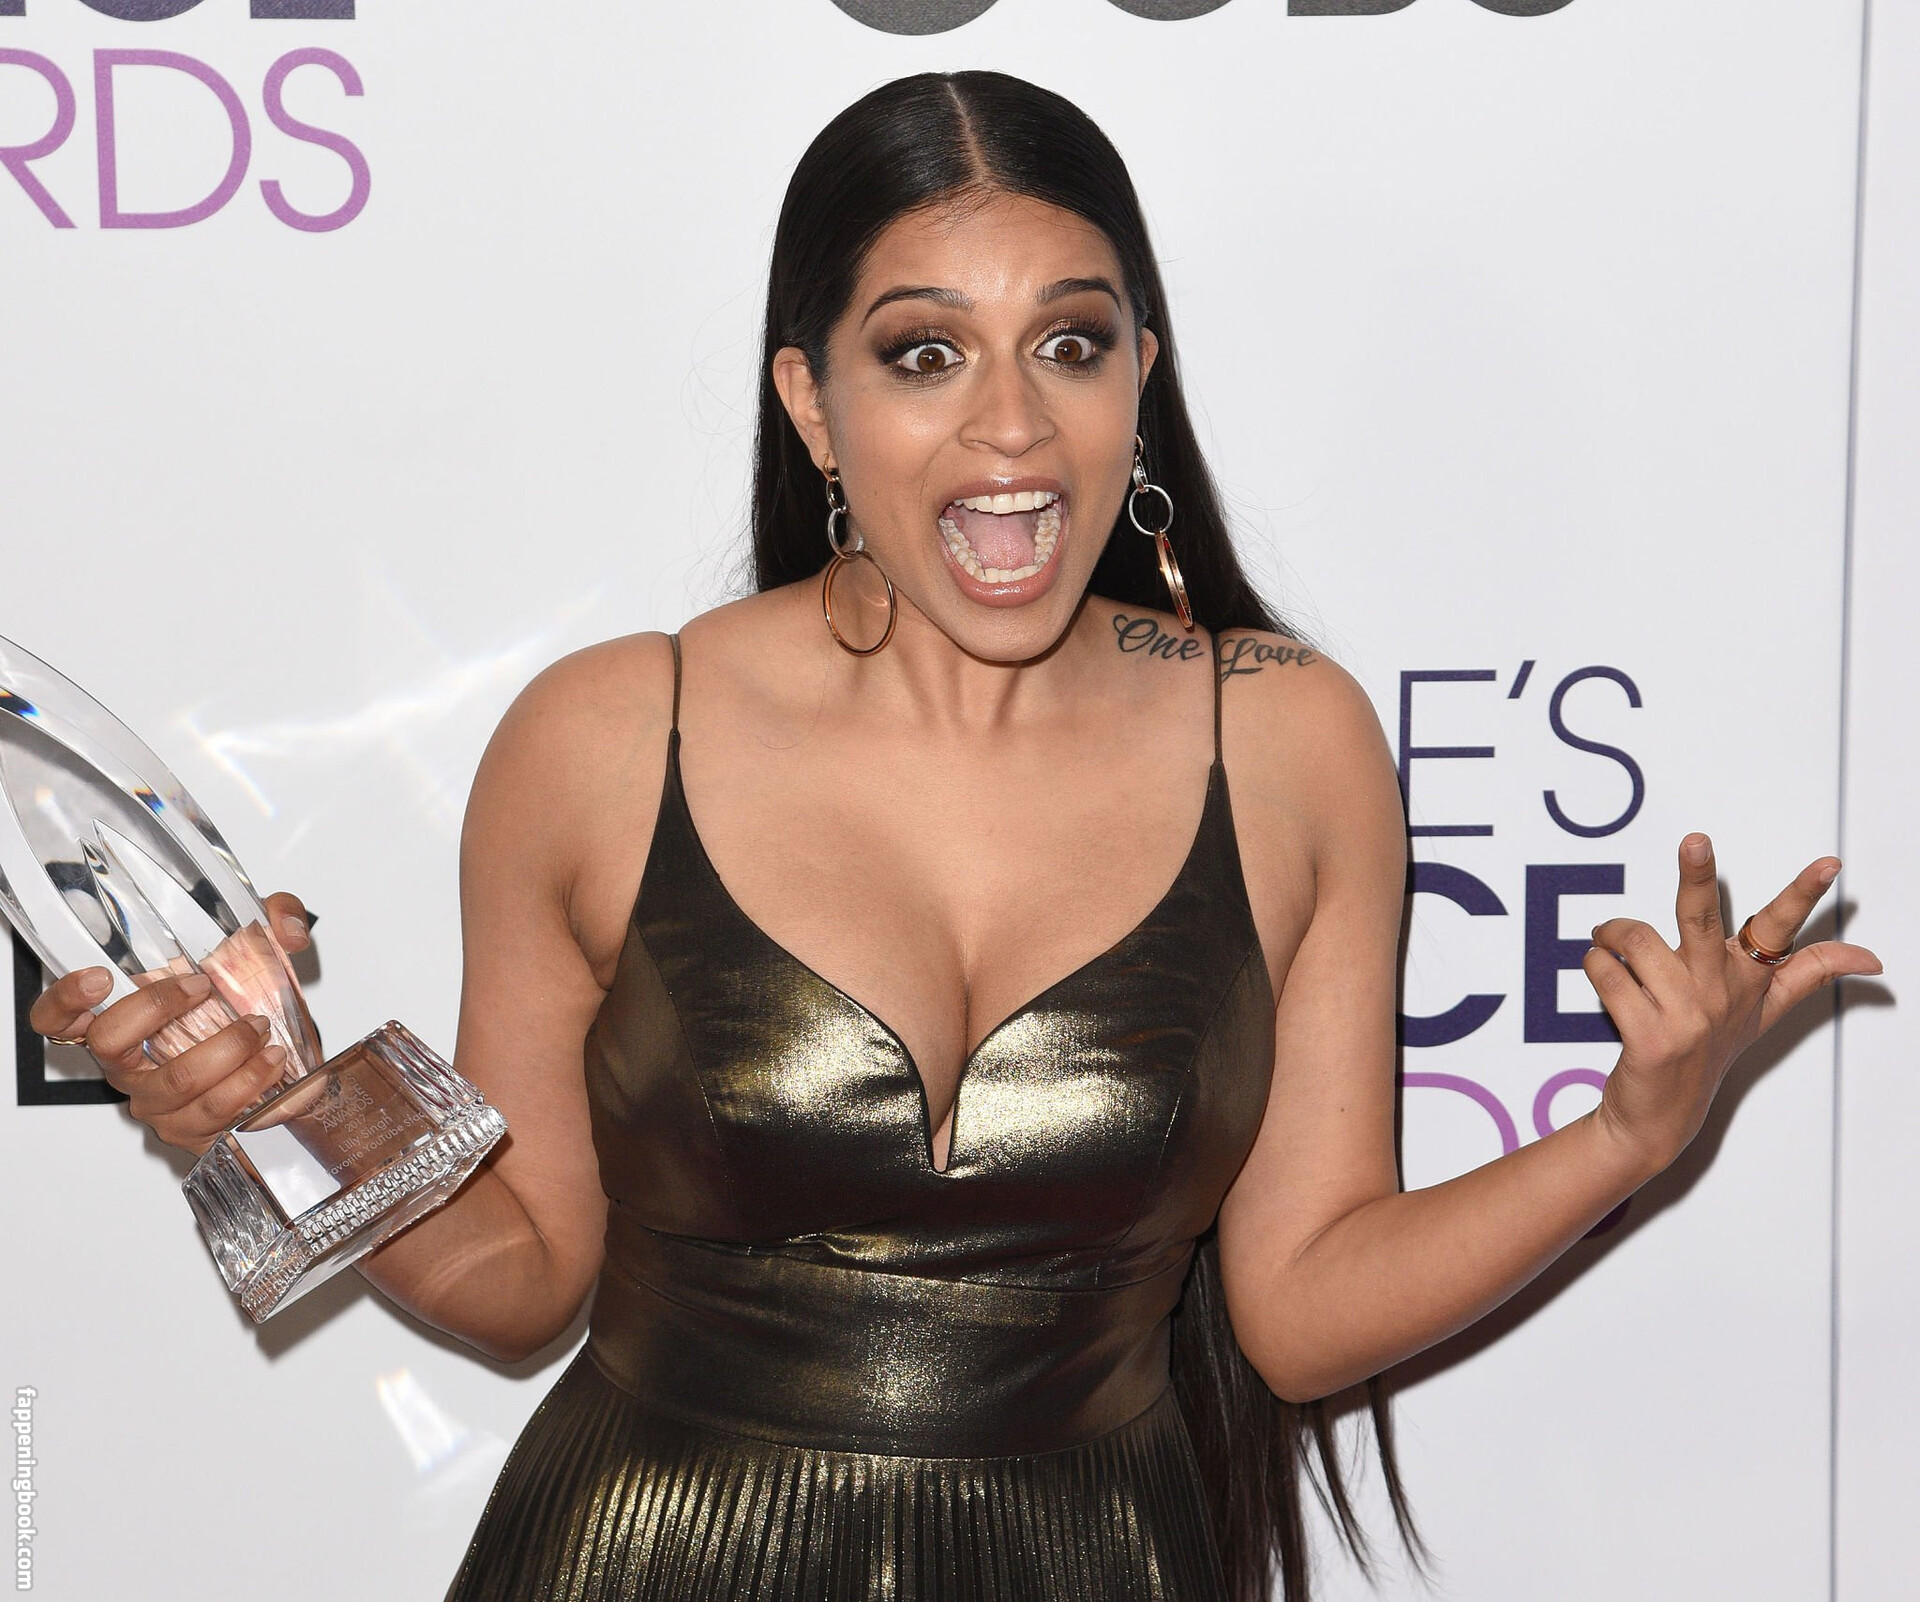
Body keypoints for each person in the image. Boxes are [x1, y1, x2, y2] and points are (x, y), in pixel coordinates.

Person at [29, 71, 1879, 1602]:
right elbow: (519, 1277)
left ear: (1141, 373)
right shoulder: (603, 737)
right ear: (811, 405)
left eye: (1070, 343)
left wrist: (1635, 1134)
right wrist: (275, 1108)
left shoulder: (1288, 739)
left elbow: (1305, 1307)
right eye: (924, 355)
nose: (1012, 427)